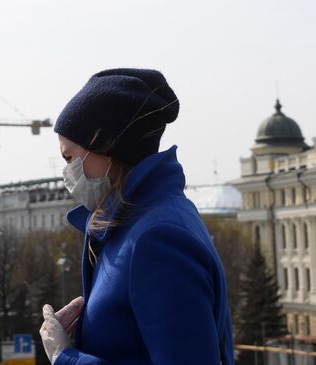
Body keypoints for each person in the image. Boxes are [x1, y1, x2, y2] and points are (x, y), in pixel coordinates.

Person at [39, 68, 234, 365]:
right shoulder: (136, 224)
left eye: (69, 157)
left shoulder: (157, 238)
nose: (67, 173)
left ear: (106, 145)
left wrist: (65, 357)